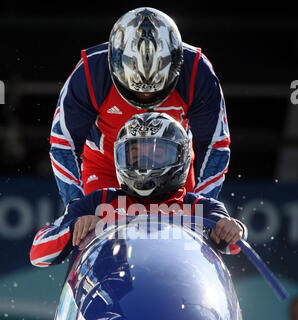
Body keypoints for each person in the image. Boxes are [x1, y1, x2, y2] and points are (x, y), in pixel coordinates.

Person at [49, 7, 230, 207]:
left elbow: (214, 145)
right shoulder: (91, 72)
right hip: (106, 171)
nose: (146, 96)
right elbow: (64, 143)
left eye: (154, 90)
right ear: (114, 65)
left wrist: (205, 206)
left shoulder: (197, 72)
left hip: (174, 172)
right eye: (137, 90)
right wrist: (76, 205)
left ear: (176, 65)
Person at [31, 113, 244, 268]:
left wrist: (233, 229)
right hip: (111, 311)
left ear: (181, 157)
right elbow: (39, 253)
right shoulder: (99, 201)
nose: (144, 165)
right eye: (134, 155)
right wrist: (74, 229)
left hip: (183, 307)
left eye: (157, 154)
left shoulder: (200, 208)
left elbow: (234, 245)